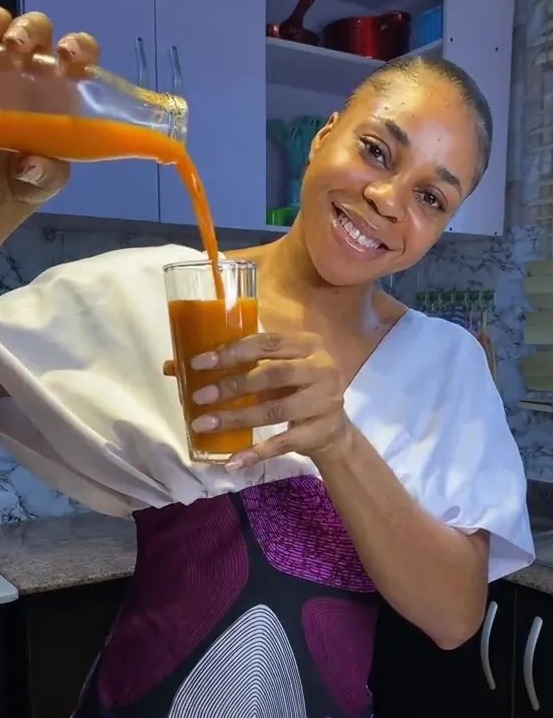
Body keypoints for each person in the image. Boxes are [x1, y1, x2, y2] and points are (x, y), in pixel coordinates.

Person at [0, 10, 534, 718]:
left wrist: (338, 440)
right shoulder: (167, 295)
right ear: (323, 136)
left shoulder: (446, 366)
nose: (386, 199)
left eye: (430, 197)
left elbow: (454, 616)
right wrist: (8, 201)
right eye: (376, 151)